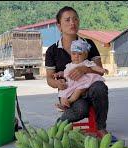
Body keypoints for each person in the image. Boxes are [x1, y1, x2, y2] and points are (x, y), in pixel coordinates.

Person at [45, 6, 109, 136]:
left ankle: (101, 127)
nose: (72, 23)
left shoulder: (88, 44)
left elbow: (100, 71)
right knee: (81, 109)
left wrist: (84, 69)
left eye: (75, 19)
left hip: (90, 88)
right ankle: (61, 123)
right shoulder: (52, 50)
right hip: (69, 91)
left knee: (100, 87)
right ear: (59, 26)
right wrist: (58, 84)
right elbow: (49, 79)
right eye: (67, 20)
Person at [55, 39, 108, 110]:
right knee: (63, 91)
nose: (76, 56)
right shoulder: (69, 65)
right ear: (71, 55)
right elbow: (64, 72)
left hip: (82, 83)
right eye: (74, 53)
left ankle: (69, 101)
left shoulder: (86, 62)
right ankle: (63, 105)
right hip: (72, 83)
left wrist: (102, 70)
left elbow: (94, 67)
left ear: (85, 55)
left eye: (79, 54)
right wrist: (58, 74)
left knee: (78, 91)